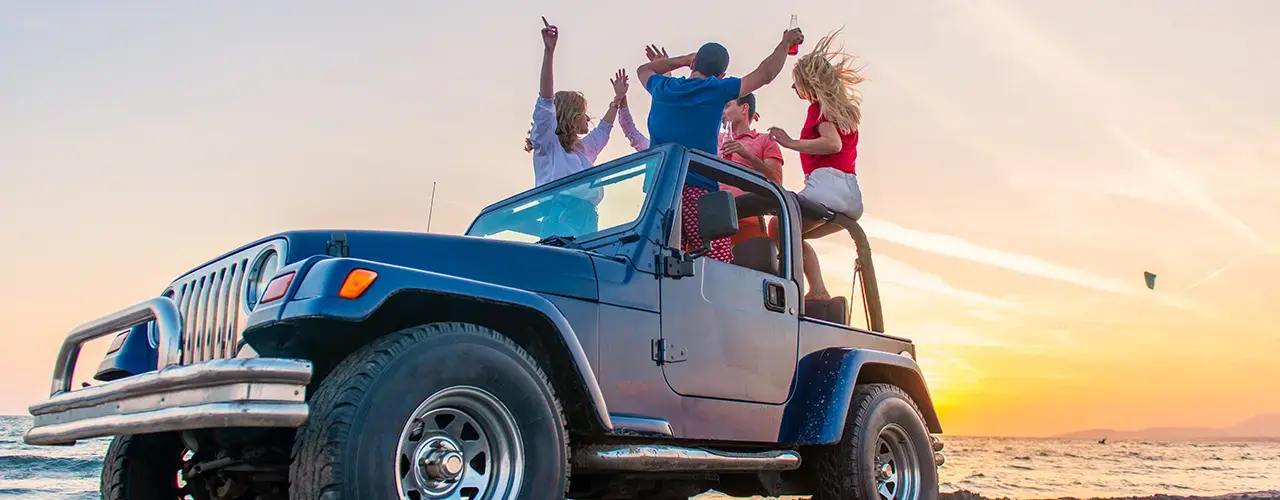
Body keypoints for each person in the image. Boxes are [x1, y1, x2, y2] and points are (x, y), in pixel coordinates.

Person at [636, 28, 804, 263]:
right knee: (719, 261)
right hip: (696, 190)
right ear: (722, 75)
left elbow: (644, 70)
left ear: (694, 62)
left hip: (658, 192)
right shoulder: (715, 89)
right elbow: (765, 74)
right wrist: (785, 44)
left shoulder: (663, 87)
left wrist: (682, 60)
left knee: (661, 261)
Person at [766, 30, 866, 300]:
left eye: (796, 82)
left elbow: (832, 144)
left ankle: (797, 290)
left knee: (777, 226)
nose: (793, 88)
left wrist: (790, 143)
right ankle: (817, 290)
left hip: (826, 186)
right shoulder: (844, 111)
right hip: (852, 196)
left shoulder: (818, 108)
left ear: (808, 82)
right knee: (793, 234)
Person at [528, 17, 648, 187]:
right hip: (559, 212)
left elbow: (603, 129)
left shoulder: (584, 149)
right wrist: (549, 52)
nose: (588, 118)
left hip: (588, 214)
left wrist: (618, 98)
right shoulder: (548, 144)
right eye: (583, 113)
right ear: (572, 115)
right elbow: (546, 102)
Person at [717, 93, 785, 246]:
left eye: (727, 106)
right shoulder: (714, 137)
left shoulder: (765, 140)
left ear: (744, 108)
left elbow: (777, 182)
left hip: (748, 218)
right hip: (711, 218)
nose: (722, 112)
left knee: (748, 268)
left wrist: (749, 156)